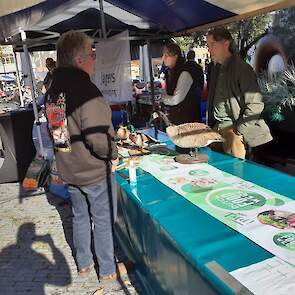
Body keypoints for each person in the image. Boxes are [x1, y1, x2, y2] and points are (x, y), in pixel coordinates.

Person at [45, 31, 119, 287]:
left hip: (70, 169)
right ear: (79, 59)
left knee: (79, 217)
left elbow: (58, 135)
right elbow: (98, 137)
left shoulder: (54, 90)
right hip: (94, 171)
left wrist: (68, 161)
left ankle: (85, 265)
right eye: (92, 55)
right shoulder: (85, 89)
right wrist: (112, 155)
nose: (94, 60)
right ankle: (107, 270)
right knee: (102, 220)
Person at [206, 27, 272, 159]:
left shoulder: (242, 69)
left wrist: (239, 131)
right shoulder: (216, 68)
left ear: (226, 43)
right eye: (208, 45)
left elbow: (255, 104)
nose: (209, 49)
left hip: (234, 130)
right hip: (217, 128)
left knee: (236, 174)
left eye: (212, 44)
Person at [162, 43, 201, 125]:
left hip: (188, 121)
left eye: (166, 55)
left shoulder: (184, 73)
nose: (163, 58)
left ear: (175, 56)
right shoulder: (169, 72)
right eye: (163, 55)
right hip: (176, 118)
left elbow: (176, 99)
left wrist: (162, 98)